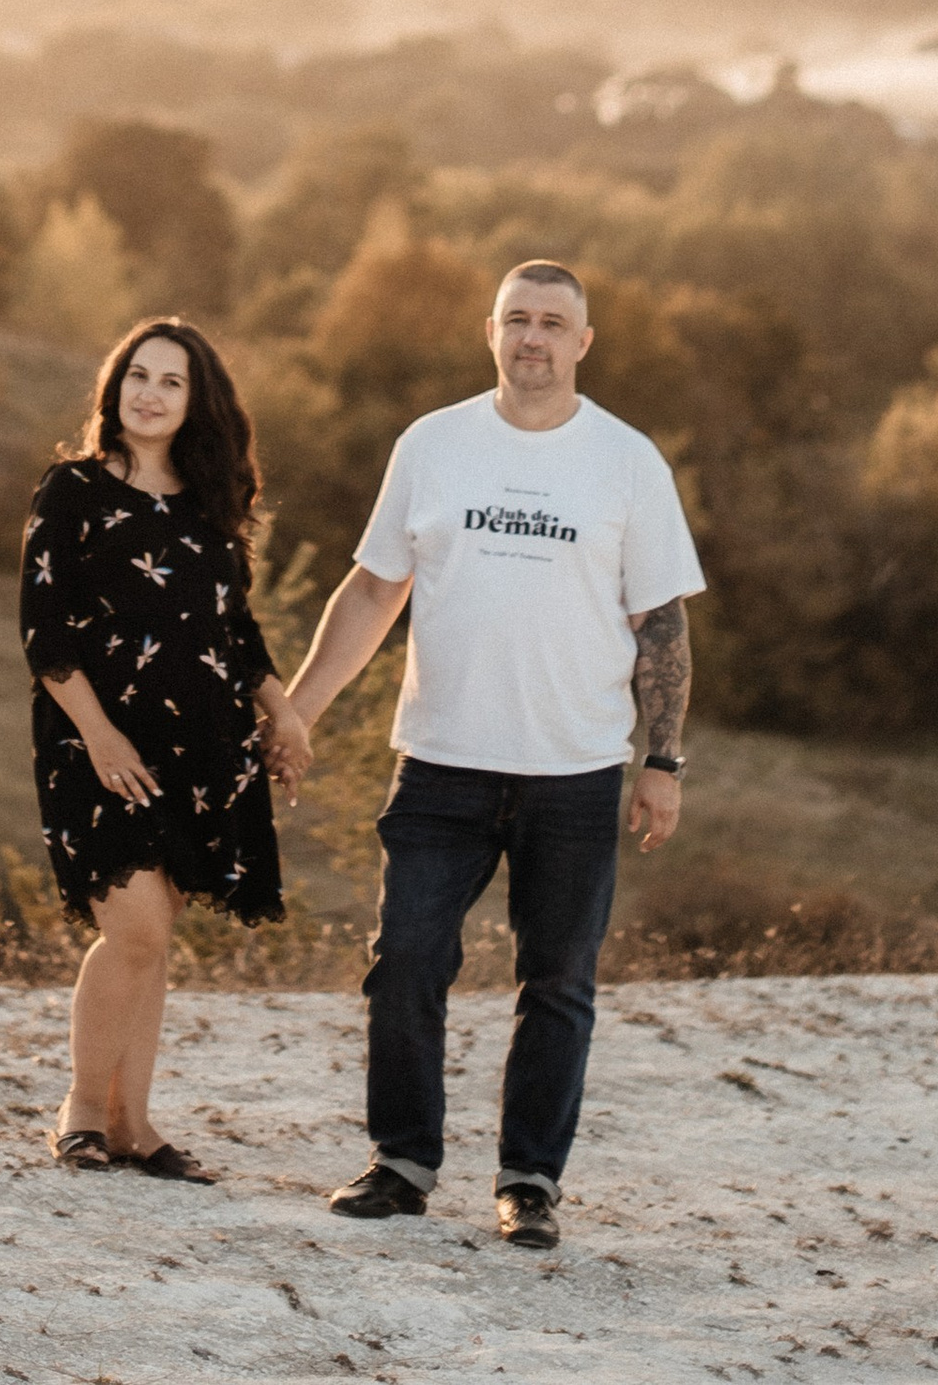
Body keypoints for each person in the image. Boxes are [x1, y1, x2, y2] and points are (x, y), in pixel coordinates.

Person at [284, 258, 703, 1255]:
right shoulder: (432, 446)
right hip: (440, 763)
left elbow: (662, 623)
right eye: (517, 319)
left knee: (557, 983)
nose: (533, 339)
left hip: (572, 771)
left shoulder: (626, 461)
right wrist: (296, 709)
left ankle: (528, 1182)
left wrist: (663, 761)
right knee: (406, 963)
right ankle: (402, 1164)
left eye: (553, 323)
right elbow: (371, 592)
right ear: (490, 332)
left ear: (583, 343)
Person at [21, 314, 312, 1179]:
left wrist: (283, 712)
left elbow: (236, 628)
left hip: (205, 746)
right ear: (114, 388)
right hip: (95, 743)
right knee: (134, 927)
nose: (149, 393)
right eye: (137, 375)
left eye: (171, 381)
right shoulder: (71, 490)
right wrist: (102, 736)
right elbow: (43, 635)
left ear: (197, 402)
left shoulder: (208, 504)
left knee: (158, 936)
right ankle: (80, 1112)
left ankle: (134, 1125)